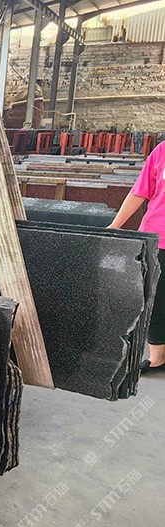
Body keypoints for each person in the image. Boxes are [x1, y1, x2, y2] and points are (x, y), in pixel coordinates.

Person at [109, 141, 165, 372]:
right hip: (156, 238)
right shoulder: (161, 151)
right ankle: (158, 357)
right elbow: (140, 191)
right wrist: (115, 225)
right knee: (155, 300)